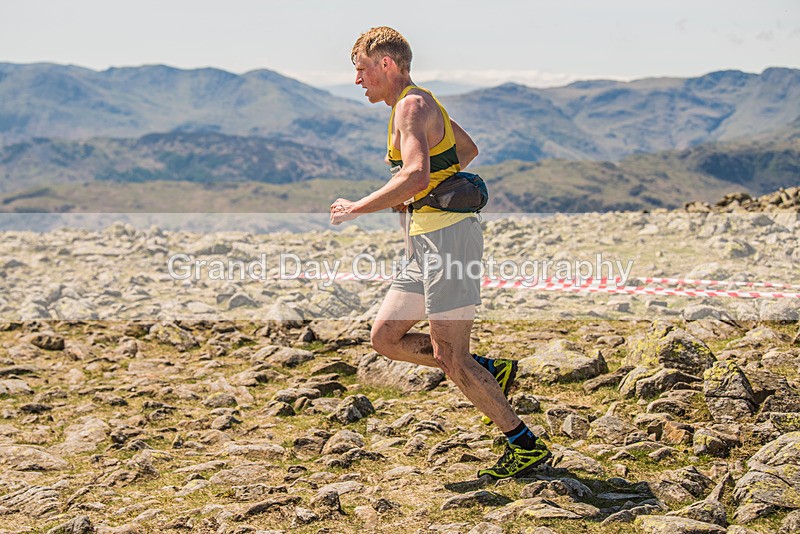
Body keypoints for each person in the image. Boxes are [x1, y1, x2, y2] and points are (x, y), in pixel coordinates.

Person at [330, 26, 551, 479]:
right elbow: (466, 150)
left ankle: (523, 443)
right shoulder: (415, 105)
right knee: (385, 338)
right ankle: (488, 370)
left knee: (451, 356)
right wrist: (432, 190)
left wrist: (359, 207)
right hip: (426, 244)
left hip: (448, 241)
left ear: (386, 64)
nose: (357, 80)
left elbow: (413, 174)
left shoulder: (410, 106)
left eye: (362, 69)